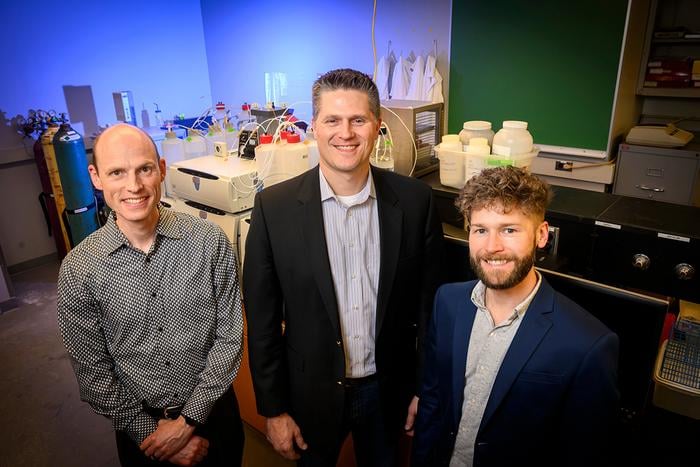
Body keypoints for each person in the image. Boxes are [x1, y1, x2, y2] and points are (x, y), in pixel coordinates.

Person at [243, 68, 444, 466]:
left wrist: (426, 388)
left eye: (358, 120)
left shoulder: (417, 202)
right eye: (332, 120)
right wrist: (273, 409)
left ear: (377, 127)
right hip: (308, 393)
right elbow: (263, 321)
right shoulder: (274, 209)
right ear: (313, 127)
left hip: (388, 389)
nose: (345, 133)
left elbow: (431, 308)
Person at [57, 124, 244, 467]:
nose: (133, 186)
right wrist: (153, 435)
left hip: (217, 417)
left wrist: (187, 424)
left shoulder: (209, 242)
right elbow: (93, 372)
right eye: (117, 172)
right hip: (140, 434)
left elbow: (229, 338)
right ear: (96, 177)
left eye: (144, 169)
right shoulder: (78, 269)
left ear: (161, 169)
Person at [412, 166, 619, 467]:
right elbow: (433, 399)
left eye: (509, 229)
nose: (492, 247)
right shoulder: (448, 301)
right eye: (480, 230)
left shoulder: (588, 344)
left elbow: (584, 453)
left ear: (541, 235)